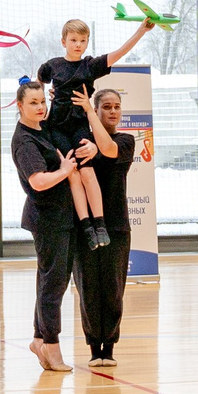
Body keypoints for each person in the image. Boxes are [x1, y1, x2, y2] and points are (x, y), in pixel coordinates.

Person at [36, 13, 160, 252]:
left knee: (88, 173)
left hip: (80, 124)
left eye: (82, 41)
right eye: (73, 40)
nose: (78, 45)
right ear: (64, 41)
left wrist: (141, 30)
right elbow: (38, 81)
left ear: (87, 43)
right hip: (58, 126)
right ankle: (85, 226)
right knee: (72, 173)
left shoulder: (90, 65)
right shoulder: (53, 65)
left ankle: (99, 224)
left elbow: (120, 52)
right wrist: (45, 99)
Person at [12, 79, 88, 373]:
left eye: (42, 101)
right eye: (33, 103)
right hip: (47, 218)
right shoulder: (24, 141)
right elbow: (38, 181)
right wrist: (65, 170)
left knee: (51, 280)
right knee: (53, 284)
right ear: (19, 106)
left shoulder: (42, 128)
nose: (40, 107)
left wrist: (57, 100)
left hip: (61, 215)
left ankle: (38, 339)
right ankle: (51, 346)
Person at [72, 86, 138, 367]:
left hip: (117, 227)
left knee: (113, 289)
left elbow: (108, 150)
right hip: (84, 227)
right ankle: (92, 348)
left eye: (116, 107)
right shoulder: (81, 140)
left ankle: (108, 348)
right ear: (97, 111)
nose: (113, 111)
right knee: (88, 288)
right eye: (106, 107)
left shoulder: (126, 140)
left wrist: (88, 112)